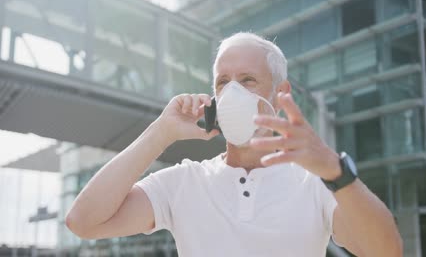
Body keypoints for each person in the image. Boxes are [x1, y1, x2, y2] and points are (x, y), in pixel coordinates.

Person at [66, 32, 403, 256]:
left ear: (280, 93)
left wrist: (334, 169)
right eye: (223, 82)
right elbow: (83, 221)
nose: (232, 93)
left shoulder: (315, 184)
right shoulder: (184, 182)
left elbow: (387, 251)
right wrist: (160, 133)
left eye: (248, 80)